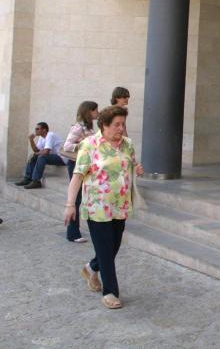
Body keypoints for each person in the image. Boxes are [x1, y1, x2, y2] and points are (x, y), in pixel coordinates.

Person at [63, 106, 144, 310]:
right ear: (104, 125)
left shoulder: (127, 144)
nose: (121, 128)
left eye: (123, 124)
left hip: (120, 205)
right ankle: (110, 292)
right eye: (117, 124)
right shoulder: (89, 145)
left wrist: (137, 169)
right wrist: (70, 205)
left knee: (114, 246)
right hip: (97, 207)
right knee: (106, 251)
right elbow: (77, 176)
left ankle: (91, 268)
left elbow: (132, 164)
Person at [63, 101, 98, 243]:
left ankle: (75, 231)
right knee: (76, 199)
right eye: (95, 110)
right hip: (76, 164)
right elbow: (67, 145)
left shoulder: (89, 127)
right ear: (89, 111)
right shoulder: (78, 127)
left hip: (85, 165)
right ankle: (72, 233)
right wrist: (82, 145)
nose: (97, 113)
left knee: (81, 198)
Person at [16, 122, 66, 189]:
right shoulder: (41, 137)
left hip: (62, 158)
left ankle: (36, 181)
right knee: (34, 157)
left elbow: (46, 151)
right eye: (35, 129)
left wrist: (35, 154)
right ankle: (27, 179)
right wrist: (31, 140)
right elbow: (36, 150)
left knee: (42, 157)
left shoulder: (50, 135)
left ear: (44, 130)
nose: (35, 130)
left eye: (37, 129)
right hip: (53, 157)